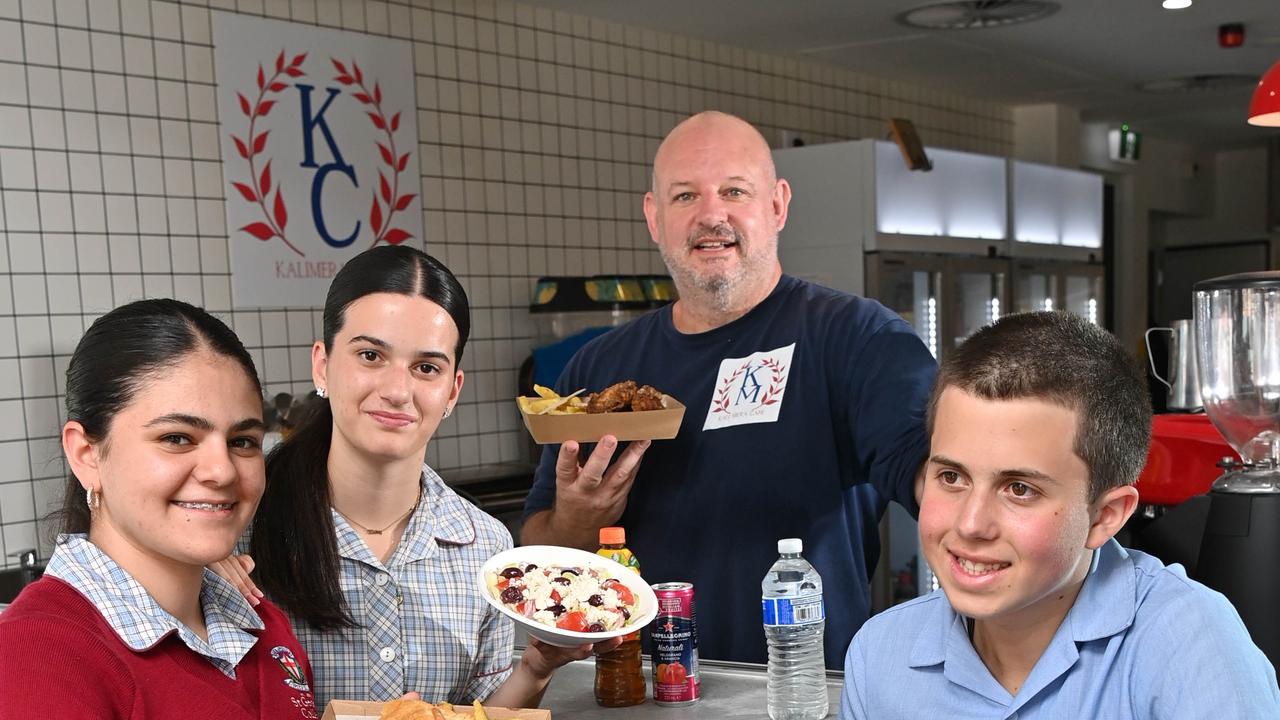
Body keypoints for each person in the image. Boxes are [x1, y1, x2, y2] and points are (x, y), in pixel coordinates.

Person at [520, 111, 937, 668]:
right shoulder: (599, 369)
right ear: (654, 217)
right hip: (635, 695)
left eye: (734, 191)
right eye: (685, 196)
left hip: (800, 694)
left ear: (777, 205)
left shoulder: (856, 339)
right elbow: (539, 555)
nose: (710, 215)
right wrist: (577, 520)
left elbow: (936, 479)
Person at [216, 246, 615, 710]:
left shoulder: (483, 545)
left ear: (452, 390)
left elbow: (479, 711)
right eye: (370, 355)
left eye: (426, 368)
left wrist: (536, 668)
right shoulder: (238, 529)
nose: (397, 391)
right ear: (322, 364)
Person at [839, 311, 1280, 719]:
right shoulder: (879, 657)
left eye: (1019, 489)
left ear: (1105, 517)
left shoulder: (1192, 648)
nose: (970, 525)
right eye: (952, 477)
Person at [0, 299, 319, 718]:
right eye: (177, 438)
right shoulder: (37, 657)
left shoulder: (262, 624)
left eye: (242, 441)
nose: (221, 471)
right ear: (86, 454)